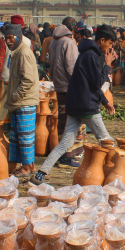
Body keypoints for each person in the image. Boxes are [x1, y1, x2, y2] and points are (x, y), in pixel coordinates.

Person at [35, 25, 118, 183]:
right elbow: (96, 83)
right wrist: (107, 65)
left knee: (65, 143)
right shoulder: (91, 56)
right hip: (87, 107)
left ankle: (40, 173)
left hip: (75, 105)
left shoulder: (85, 54)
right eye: (110, 43)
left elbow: (89, 84)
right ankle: (116, 176)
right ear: (102, 40)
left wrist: (105, 102)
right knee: (106, 140)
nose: (110, 47)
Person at [0, 23, 40, 178]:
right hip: (20, 102)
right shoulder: (17, 52)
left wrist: (15, 95)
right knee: (19, 135)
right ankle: (28, 165)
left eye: (11, 38)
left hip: (25, 101)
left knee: (25, 136)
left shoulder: (23, 53)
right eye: (6, 38)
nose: (8, 41)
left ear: (18, 37)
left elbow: (28, 80)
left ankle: (27, 167)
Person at [49, 17, 80, 166]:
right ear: (73, 29)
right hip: (69, 87)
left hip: (58, 86)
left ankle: (61, 154)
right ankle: (67, 154)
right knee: (71, 122)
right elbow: (71, 67)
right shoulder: (68, 42)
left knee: (62, 120)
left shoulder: (54, 41)